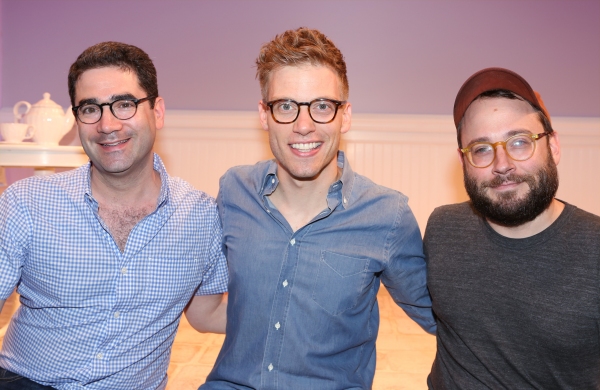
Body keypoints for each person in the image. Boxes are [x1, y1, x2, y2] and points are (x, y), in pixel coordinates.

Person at [199, 27, 435, 390]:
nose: (304, 125)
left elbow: (444, 321)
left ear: (345, 116)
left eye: (322, 106)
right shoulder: (234, 191)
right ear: (264, 115)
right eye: (286, 106)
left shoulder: (387, 216)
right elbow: (208, 306)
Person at [0, 42, 228, 389]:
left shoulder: (200, 216)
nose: (107, 125)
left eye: (124, 105)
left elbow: (206, 313)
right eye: (90, 109)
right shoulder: (26, 203)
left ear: (158, 111)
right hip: (27, 381)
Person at [425, 67, 600, 389]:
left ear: (554, 146)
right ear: (463, 161)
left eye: (519, 142)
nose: (502, 164)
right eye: (481, 149)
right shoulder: (443, 229)